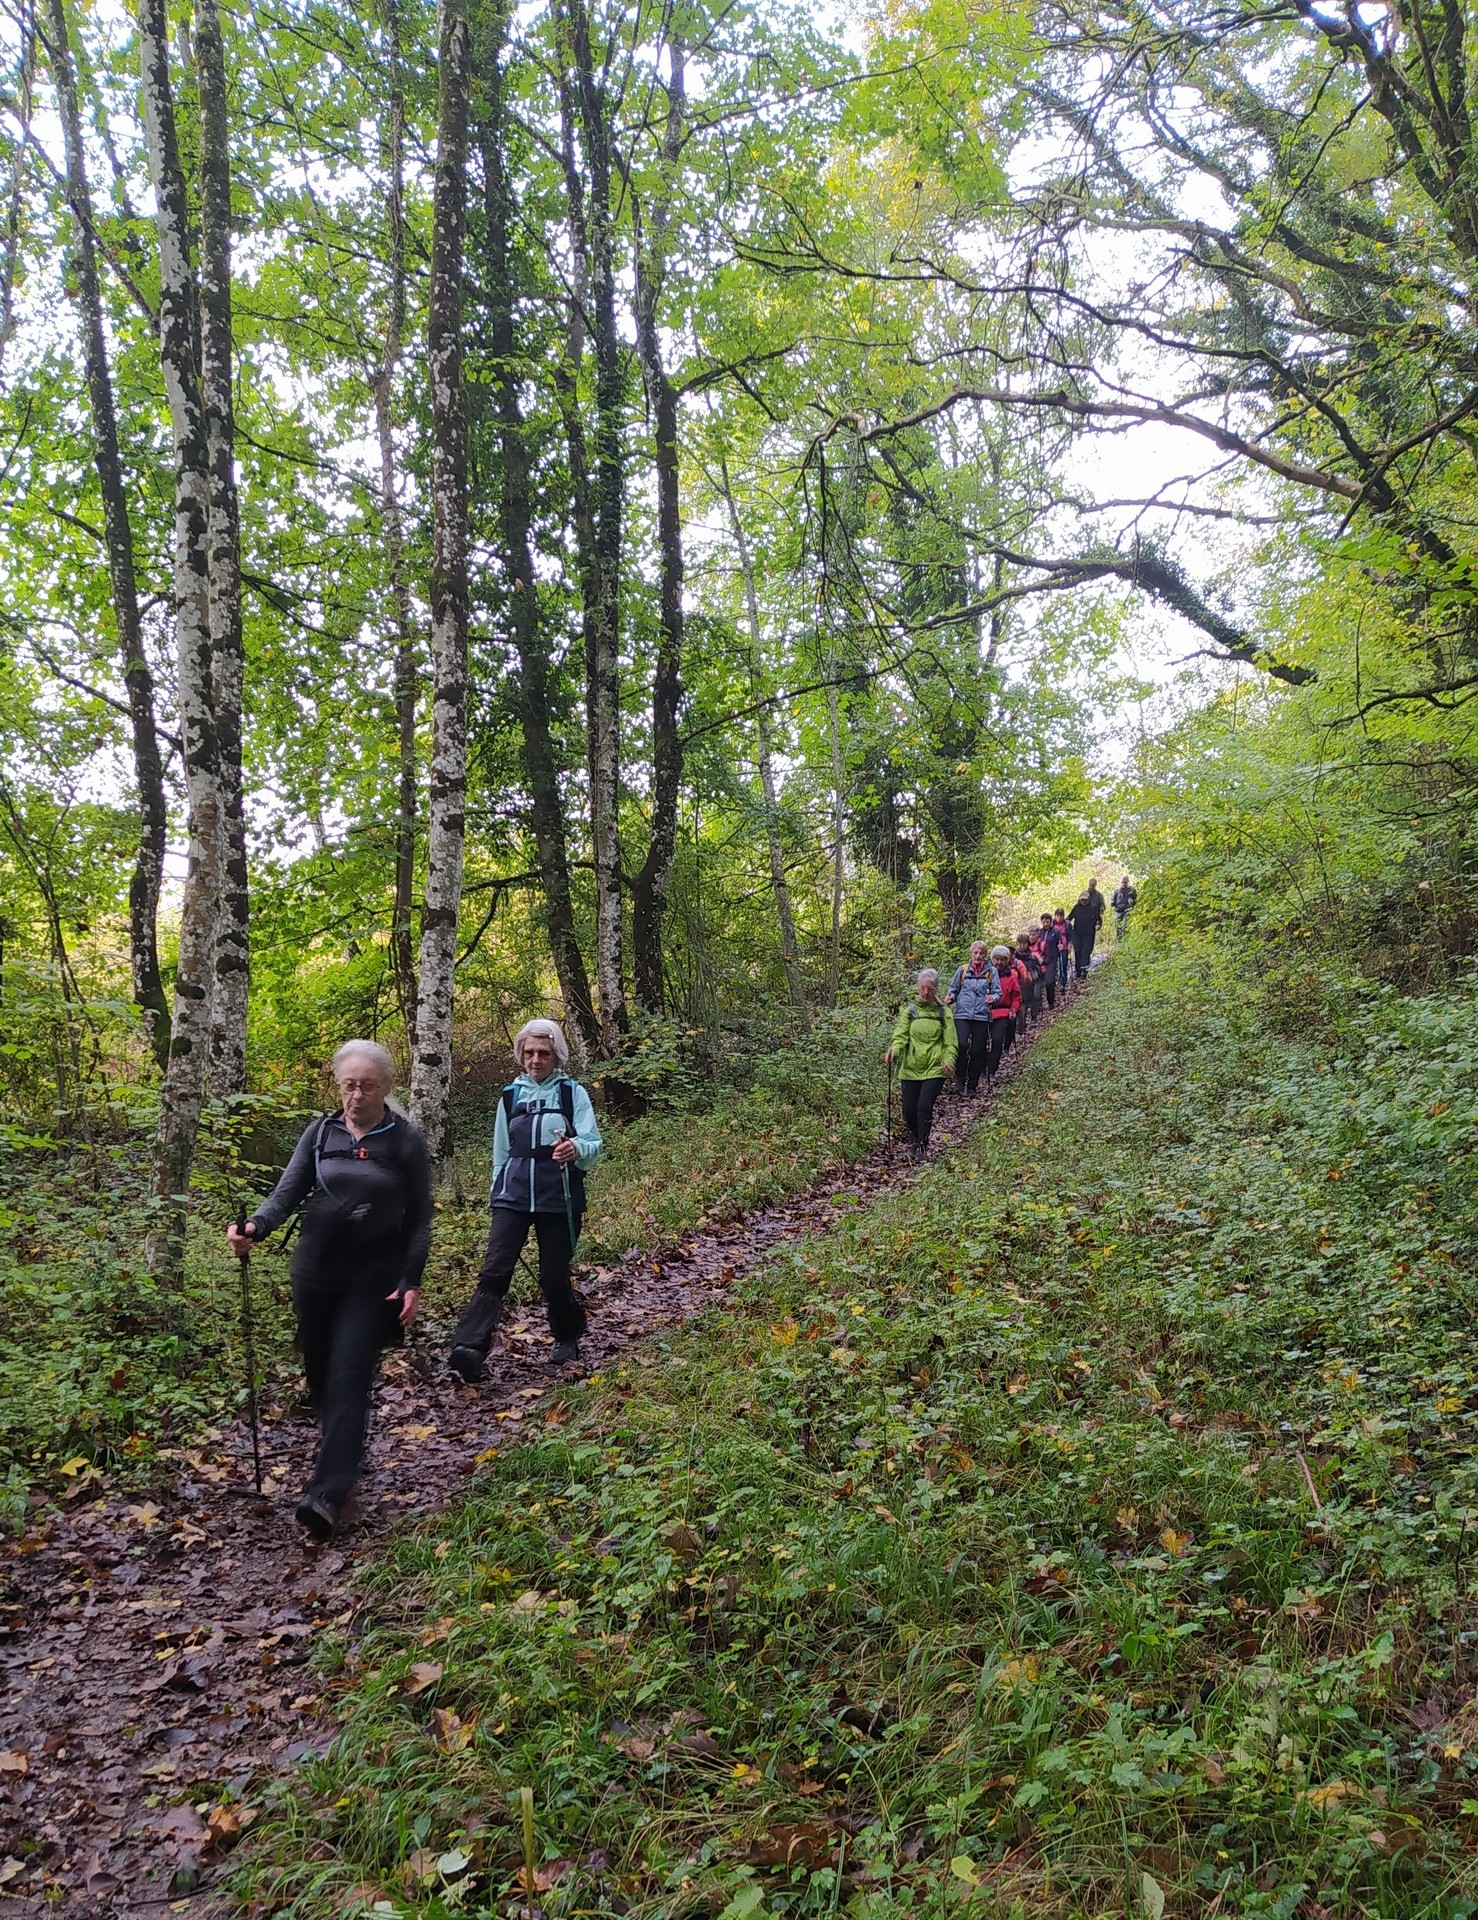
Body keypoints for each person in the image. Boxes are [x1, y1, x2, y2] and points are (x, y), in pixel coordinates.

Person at [226, 1040, 431, 1541]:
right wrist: (254, 1227)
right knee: (320, 1371)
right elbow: (285, 1193)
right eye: (348, 1085)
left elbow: (420, 1219)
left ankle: (328, 1492)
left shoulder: (404, 1141)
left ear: (386, 1087)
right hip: (315, 1273)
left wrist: (410, 1281)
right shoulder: (320, 1133)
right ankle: (335, 1437)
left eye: (367, 1086)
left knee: (349, 1377)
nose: (356, 1095)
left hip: (373, 1279)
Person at [450, 1019, 603, 1382]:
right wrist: (495, 1192)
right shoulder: (510, 1096)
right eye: (529, 1052)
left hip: (559, 1195)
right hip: (513, 1195)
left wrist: (575, 1148)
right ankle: (470, 1348)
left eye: (543, 1053)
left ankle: (567, 1334)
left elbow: (594, 1144)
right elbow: (501, 1152)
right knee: (494, 1272)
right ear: (521, 1053)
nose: (535, 1060)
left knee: (553, 1277)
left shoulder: (572, 1094)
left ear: (556, 1055)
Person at [885, 968, 956, 1161]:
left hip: (935, 1067)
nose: (925, 992)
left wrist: (949, 1060)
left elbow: (950, 1042)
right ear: (918, 988)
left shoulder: (944, 1012)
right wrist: (894, 1050)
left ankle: (922, 1147)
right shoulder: (910, 1011)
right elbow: (900, 1035)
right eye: (922, 988)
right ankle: (916, 1141)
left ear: (936, 990)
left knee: (924, 1106)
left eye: (930, 989)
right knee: (908, 1110)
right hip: (910, 1067)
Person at [944, 941, 1001, 1096]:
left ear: (985, 955)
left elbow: (997, 992)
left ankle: (972, 1086)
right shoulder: (962, 970)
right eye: (975, 953)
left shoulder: (991, 972)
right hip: (962, 1014)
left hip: (982, 1016)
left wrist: (993, 998)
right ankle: (959, 1080)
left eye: (981, 953)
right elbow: (954, 989)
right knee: (961, 1046)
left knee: (977, 1051)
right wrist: (950, 997)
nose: (978, 956)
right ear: (971, 953)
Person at [987, 944, 1020, 1076]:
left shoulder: (1011, 977)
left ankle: (992, 1070)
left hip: (1002, 1013)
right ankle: (982, 1067)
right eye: (996, 959)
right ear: (992, 959)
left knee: (997, 1039)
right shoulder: (986, 973)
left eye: (1002, 959)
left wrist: (1013, 1009)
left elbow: (1016, 996)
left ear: (1007, 960)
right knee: (980, 1042)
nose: (999, 962)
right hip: (984, 1012)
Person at [1067, 879, 1106, 979]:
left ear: (1088, 900)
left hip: (1089, 934)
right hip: (1077, 933)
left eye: (1085, 900)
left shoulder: (1092, 908)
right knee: (1078, 951)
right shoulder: (1076, 908)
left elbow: (1099, 919)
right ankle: (1078, 971)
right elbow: (1069, 918)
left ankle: (1084, 970)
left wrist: (1098, 925)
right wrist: (1066, 925)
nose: (1084, 901)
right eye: (1082, 900)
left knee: (1086, 951)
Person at [1014, 931, 1045, 1024]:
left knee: (1036, 996)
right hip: (1020, 983)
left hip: (1033, 982)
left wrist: (1032, 974)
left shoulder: (1032, 957)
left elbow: (1039, 970)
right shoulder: (1014, 957)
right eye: (1020, 943)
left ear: (1028, 944)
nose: (1022, 945)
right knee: (1022, 1003)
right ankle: (1021, 1025)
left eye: (1024, 943)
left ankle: (1034, 1017)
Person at [1037, 913, 1060, 1009]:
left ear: (1051, 922)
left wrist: (1061, 946)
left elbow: (1060, 942)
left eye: (1047, 922)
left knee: (1049, 982)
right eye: (1044, 922)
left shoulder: (1055, 932)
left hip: (1051, 959)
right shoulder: (1038, 932)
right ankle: (1038, 1005)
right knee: (1039, 983)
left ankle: (1051, 1002)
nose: (1046, 924)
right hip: (1039, 960)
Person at [1051, 908, 1072, 994]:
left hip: (1064, 946)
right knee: (1053, 965)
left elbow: (1071, 935)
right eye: (1057, 916)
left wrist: (1070, 944)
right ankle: (1054, 982)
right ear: (1055, 916)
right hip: (1053, 947)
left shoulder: (1067, 924)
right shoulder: (1051, 924)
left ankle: (1063, 983)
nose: (1059, 918)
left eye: (1061, 916)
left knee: (1063, 964)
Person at [1112, 875, 1138, 939]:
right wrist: (1112, 903)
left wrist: (1132, 901)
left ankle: (1125, 942)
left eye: (1125, 882)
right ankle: (1119, 943)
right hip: (1118, 911)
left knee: (1125, 927)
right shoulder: (1117, 891)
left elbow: (1136, 900)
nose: (1123, 884)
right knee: (1118, 927)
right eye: (1122, 882)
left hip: (1128, 910)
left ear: (1128, 882)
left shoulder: (1132, 890)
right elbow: (1113, 900)